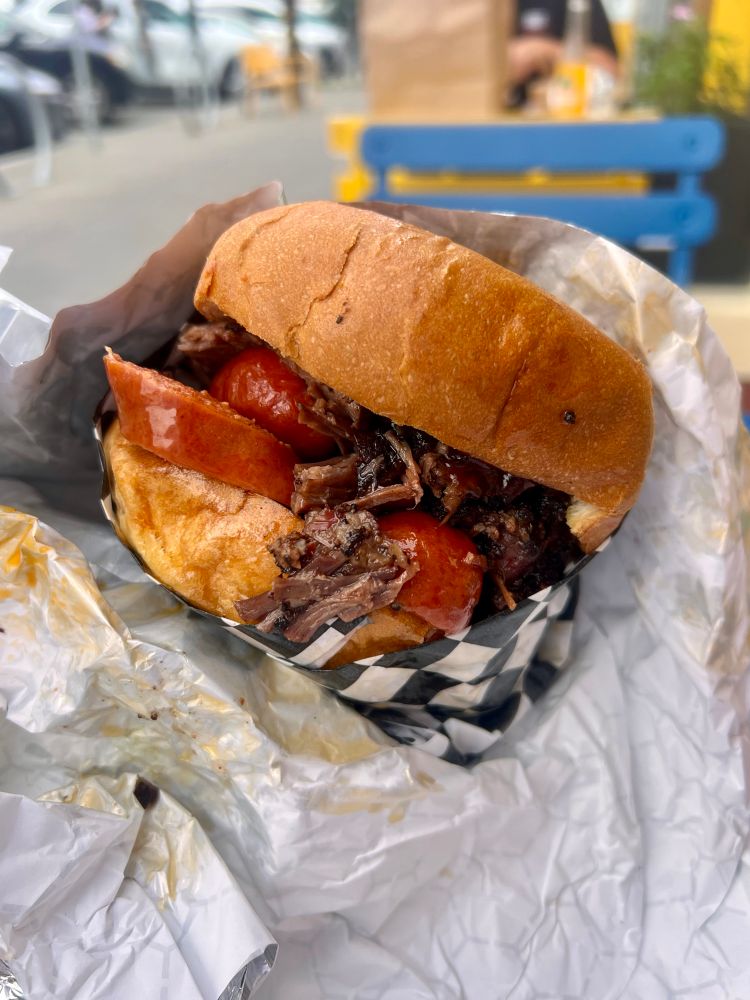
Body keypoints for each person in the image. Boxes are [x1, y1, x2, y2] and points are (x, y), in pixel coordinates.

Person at [508, 0, 619, 103]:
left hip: (565, 110)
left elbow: (612, 70)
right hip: (505, 111)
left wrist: (546, 51)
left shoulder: (577, 4)